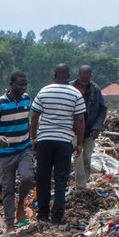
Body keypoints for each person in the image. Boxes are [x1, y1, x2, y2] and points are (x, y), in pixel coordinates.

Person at [28, 64, 86, 225]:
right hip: (64, 141)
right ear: (68, 76)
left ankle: (43, 214)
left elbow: (34, 116)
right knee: (61, 179)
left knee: (43, 177)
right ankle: (57, 216)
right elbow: (80, 119)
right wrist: (79, 143)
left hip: (45, 140)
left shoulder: (44, 91)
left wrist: (34, 138)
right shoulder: (75, 94)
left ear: (54, 74)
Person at [0, 71, 33, 231]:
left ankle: (20, 203)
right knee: (7, 187)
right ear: (11, 84)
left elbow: (28, 121)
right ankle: (10, 224)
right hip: (5, 152)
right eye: (20, 84)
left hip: (24, 148)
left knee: (27, 177)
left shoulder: (27, 99)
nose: (23, 87)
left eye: (25, 84)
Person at [72, 65, 107, 189]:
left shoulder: (95, 90)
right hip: (74, 130)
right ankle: (80, 187)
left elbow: (103, 109)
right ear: (78, 76)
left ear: (90, 77)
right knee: (78, 157)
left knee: (87, 158)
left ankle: (83, 184)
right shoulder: (70, 88)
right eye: (82, 81)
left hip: (90, 130)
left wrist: (97, 127)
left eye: (86, 81)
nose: (83, 84)